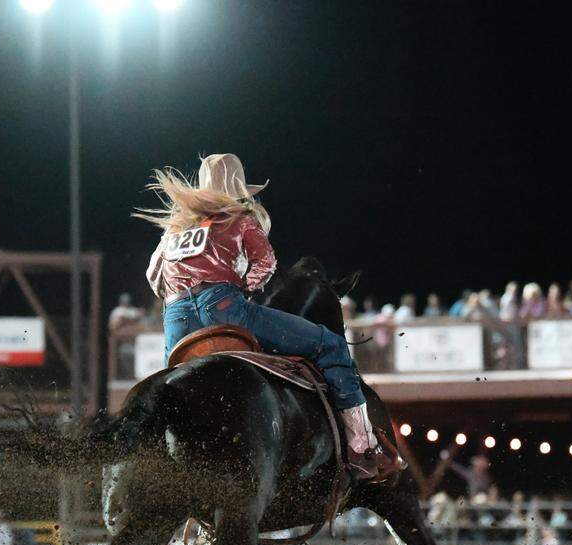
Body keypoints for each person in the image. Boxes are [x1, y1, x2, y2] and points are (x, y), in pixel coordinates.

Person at [137, 153, 398, 480]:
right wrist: (241, 290)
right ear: (237, 184)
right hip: (223, 308)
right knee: (329, 344)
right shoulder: (240, 217)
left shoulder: (176, 227)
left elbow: (153, 275)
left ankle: (160, 464)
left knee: (170, 389)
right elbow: (266, 264)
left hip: (177, 321)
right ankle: (362, 448)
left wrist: (180, 297)